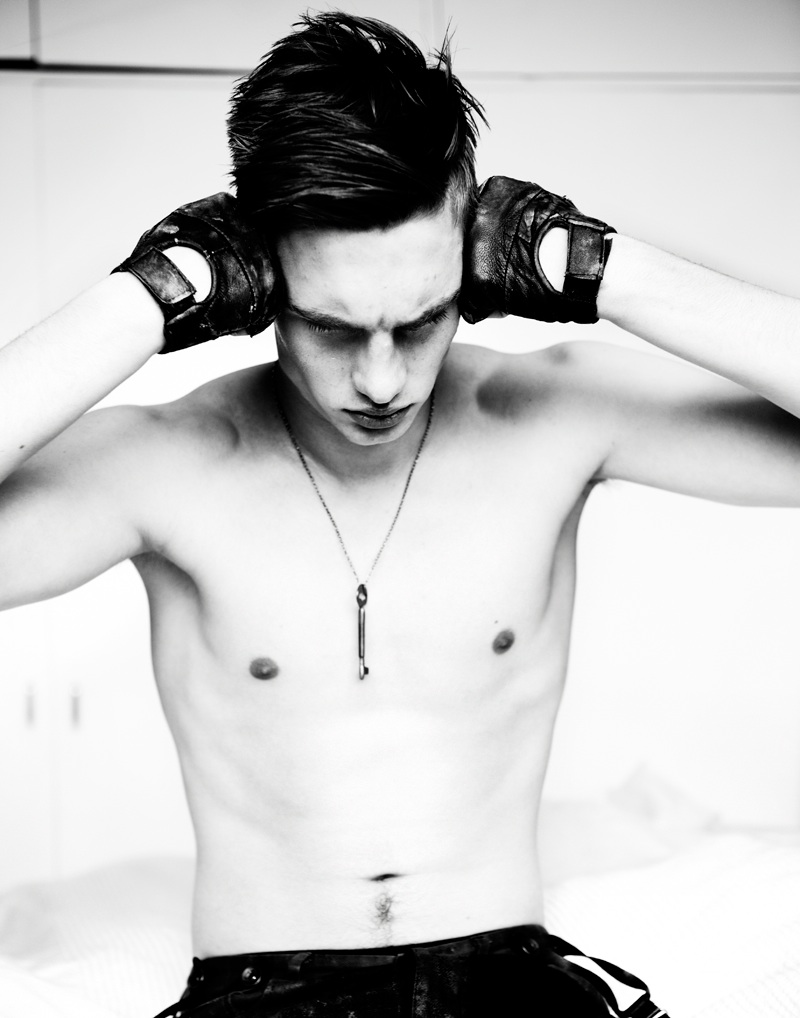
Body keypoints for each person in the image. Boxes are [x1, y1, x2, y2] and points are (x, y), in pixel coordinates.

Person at [2, 11, 799, 1018]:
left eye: (421, 320)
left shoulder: (550, 415)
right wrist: (148, 296)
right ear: (261, 282)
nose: (381, 381)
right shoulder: (170, 462)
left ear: (472, 267)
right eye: (331, 327)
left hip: (508, 976)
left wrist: (605, 267)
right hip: (261, 990)